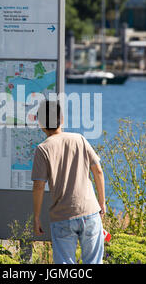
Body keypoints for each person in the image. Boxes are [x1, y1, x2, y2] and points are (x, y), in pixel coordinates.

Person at [31, 99, 106, 264]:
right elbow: (98, 171)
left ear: (40, 123)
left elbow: (38, 186)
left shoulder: (43, 149)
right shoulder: (79, 139)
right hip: (90, 212)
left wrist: (36, 217)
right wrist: (102, 202)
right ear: (62, 119)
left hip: (62, 215)